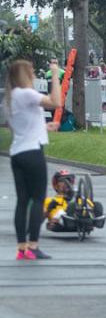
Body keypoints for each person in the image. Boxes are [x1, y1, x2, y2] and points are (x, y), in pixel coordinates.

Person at [6, 59, 62, 260]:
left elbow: (22, 126)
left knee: (22, 201)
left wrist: (44, 128)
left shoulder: (11, 97)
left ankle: (22, 247)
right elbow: (56, 102)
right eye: (31, 72)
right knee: (37, 199)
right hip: (32, 152)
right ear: (24, 75)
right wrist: (55, 74)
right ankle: (34, 245)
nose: (34, 75)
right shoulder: (27, 94)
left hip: (18, 152)